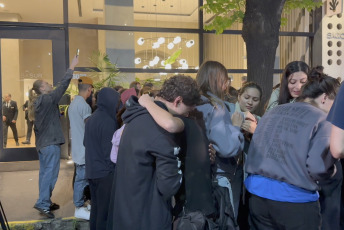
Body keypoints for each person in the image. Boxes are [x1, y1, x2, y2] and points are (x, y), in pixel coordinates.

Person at [245, 75, 340, 230]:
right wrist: (332, 171)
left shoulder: (273, 111)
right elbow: (318, 167)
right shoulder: (322, 120)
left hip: (257, 197)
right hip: (295, 201)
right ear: (325, 97)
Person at [107, 75, 200, 230]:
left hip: (125, 208)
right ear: (177, 101)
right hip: (147, 215)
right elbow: (168, 186)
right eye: (187, 111)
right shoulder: (162, 130)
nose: (187, 116)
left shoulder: (136, 117)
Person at [29, 55, 79, 218]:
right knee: (50, 174)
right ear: (42, 89)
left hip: (44, 144)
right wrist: (71, 67)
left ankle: (45, 201)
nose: (50, 85)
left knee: (45, 173)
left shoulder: (40, 101)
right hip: (50, 145)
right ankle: (43, 203)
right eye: (47, 84)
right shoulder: (47, 98)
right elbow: (62, 86)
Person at [196, 60, 244, 223]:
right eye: (225, 79)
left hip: (197, 175)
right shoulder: (216, 106)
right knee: (225, 221)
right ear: (216, 80)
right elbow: (228, 147)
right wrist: (236, 127)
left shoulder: (195, 103)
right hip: (219, 174)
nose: (227, 84)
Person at [84, 87, 120, 230]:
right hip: (105, 174)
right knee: (104, 214)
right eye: (116, 100)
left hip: (92, 171)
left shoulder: (92, 118)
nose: (117, 104)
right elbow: (110, 153)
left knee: (96, 211)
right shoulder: (108, 121)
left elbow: (85, 143)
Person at [68, 76, 94, 220]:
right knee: (81, 179)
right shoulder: (84, 106)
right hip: (84, 149)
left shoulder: (74, 103)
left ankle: (83, 204)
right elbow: (90, 128)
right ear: (89, 89)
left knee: (82, 178)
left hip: (78, 148)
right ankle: (78, 207)